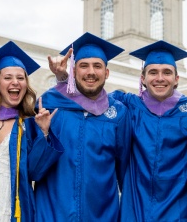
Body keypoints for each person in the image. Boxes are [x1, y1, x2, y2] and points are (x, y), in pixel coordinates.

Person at [50, 40, 187, 221]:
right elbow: (89, 98)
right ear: (142, 78)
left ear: (177, 79)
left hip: (177, 208)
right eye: (153, 72)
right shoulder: (128, 105)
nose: (160, 78)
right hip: (135, 208)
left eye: (167, 72)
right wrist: (64, 79)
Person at [35, 32, 132, 221]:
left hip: (103, 215)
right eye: (83, 65)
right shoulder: (50, 106)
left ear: (107, 72)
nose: (91, 72)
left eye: (97, 66)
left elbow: (124, 172)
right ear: (73, 71)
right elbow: (34, 169)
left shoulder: (118, 113)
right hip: (53, 214)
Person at [0, 41, 64, 221]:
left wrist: (45, 132)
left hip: (16, 212)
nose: (15, 82)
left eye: (20, 77)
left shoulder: (30, 124)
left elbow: (35, 172)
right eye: (8, 77)